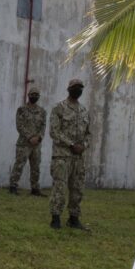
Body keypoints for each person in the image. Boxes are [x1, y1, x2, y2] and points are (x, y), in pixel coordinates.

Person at [48, 78, 90, 230]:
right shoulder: (59, 108)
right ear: (69, 89)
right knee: (59, 187)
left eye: (80, 87)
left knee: (77, 188)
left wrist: (83, 146)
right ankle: (55, 218)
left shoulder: (84, 111)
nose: (78, 90)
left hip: (79, 157)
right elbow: (54, 132)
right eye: (75, 87)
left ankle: (74, 218)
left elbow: (89, 134)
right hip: (62, 156)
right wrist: (71, 144)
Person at [9, 84, 46, 196]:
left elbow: (43, 126)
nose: (34, 96)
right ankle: (13, 186)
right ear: (28, 96)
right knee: (19, 164)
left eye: (36, 95)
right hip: (24, 144)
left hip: (36, 145)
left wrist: (39, 138)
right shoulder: (21, 110)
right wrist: (30, 137)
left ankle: (35, 189)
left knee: (36, 167)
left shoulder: (42, 111)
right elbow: (19, 126)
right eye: (32, 94)